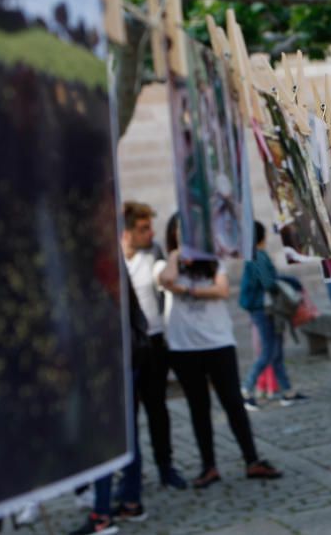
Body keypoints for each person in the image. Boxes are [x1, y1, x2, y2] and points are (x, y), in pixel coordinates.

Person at [158, 213, 281, 488]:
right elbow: (166, 279)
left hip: (218, 341)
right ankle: (208, 466)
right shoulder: (167, 262)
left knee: (233, 403)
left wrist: (186, 290)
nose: (185, 235)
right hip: (183, 347)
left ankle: (252, 460)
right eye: (180, 231)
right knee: (198, 407)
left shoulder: (214, 261)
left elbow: (222, 291)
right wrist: (178, 255)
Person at [70, 269, 150, 535]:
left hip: (108, 361)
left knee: (105, 437)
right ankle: (130, 501)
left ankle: (102, 515)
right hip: (122, 356)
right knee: (126, 433)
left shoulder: (93, 265)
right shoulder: (106, 258)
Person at [120, 201, 187, 490]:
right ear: (126, 233)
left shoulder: (154, 252)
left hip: (155, 341)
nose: (150, 233)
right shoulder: (114, 260)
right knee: (128, 416)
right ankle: (130, 474)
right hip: (128, 346)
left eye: (150, 227)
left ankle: (166, 465)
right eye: (143, 228)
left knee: (157, 408)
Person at [239, 221, 308, 410]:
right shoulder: (258, 256)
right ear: (262, 237)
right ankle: (246, 389)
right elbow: (269, 282)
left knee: (276, 352)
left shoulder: (253, 256)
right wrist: (290, 281)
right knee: (269, 351)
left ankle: (287, 392)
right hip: (264, 309)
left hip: (264, 309)